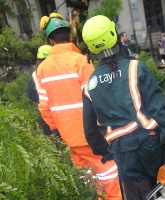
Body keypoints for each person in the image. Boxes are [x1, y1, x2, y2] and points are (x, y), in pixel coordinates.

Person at [81, 15, 165, 200]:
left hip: (122, 152)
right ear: (114, 35)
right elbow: (158, 110)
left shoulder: (89, 86)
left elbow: (90, 130)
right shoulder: (136, 68)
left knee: (137, 194)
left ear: (90, 48)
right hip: (151, 145)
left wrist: (106, 152)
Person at [36, 13, 122, 200]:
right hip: (91, 134)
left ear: (51, 41)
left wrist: (55, 130)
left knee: (87, 178)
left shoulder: (42, 69)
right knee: (110, 174)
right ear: (69, 36)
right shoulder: (81, 61)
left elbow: (44, 107)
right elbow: (98, 98)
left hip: (67, 136)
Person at [27, 45, 53, 136]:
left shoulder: (35, 74)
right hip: (61, 111)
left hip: (45, 114)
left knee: (55, 143)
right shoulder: (58, 71)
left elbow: (32, 96)